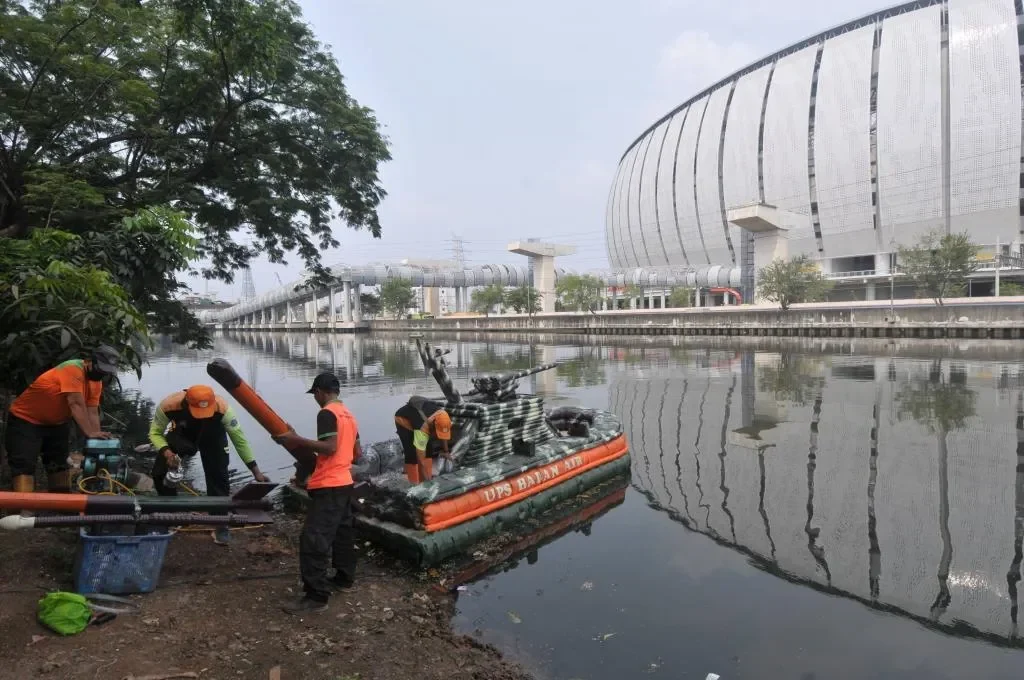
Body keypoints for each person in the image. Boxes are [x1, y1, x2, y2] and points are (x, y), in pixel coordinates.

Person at [273, 372, 360, 615]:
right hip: (344, 482)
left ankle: (316, 596)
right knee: (343, 533)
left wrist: (295, 439)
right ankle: (344, 580)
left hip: (329, 485)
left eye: (315, 395)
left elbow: (330, 447)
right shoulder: (348, 415)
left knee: (313, 538)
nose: (315, 399)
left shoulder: (326, 413)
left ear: (320, 392)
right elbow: (357, 453)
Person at [148, 385, 268, 545]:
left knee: (219, 477)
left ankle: (220, 524)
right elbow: (154, 432)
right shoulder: (169, 405)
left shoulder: (223, 408)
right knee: (159, 473)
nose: (202, 417)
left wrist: (255, 471)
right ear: (187, 404)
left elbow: (239, 440)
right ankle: (171, 516)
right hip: (184, 433)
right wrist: (167, 452)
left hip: (214, 435)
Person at [5, 345, 121, 494]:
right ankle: (22, 511)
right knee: (24, 465)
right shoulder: (72, 369)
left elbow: (92, 411)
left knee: (58, 466)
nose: (101, 374)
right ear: (90, 361)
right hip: (26, 420)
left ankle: (62, 508)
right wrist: (89, 433)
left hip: (56, 424)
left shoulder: (96, 383)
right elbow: (76, 403)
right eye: (100, 369)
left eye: (105, 372)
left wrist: (96, 437)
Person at [394, 396, 452, 483]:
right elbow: (420, 458)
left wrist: (446, 452)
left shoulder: (443, 415)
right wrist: (427, 483)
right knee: (412, 452)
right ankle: (414, 481)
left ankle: (427, 475)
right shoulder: (423, 428)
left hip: (418, 418)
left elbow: (444, 435)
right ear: (433, 425)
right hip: (403, 420)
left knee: (429, 449)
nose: (437, 435)